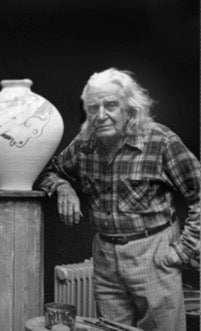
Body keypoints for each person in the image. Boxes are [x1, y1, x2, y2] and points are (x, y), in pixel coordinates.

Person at [38, 68, 200, 331]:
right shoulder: (84, 144)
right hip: (104, 257)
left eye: (111, 105)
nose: (101, 115)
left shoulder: (160, 140)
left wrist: (184, 251)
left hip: (154, 254)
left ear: (130, 108)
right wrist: (63, 188)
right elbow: (48, 171)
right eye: (93, 108)